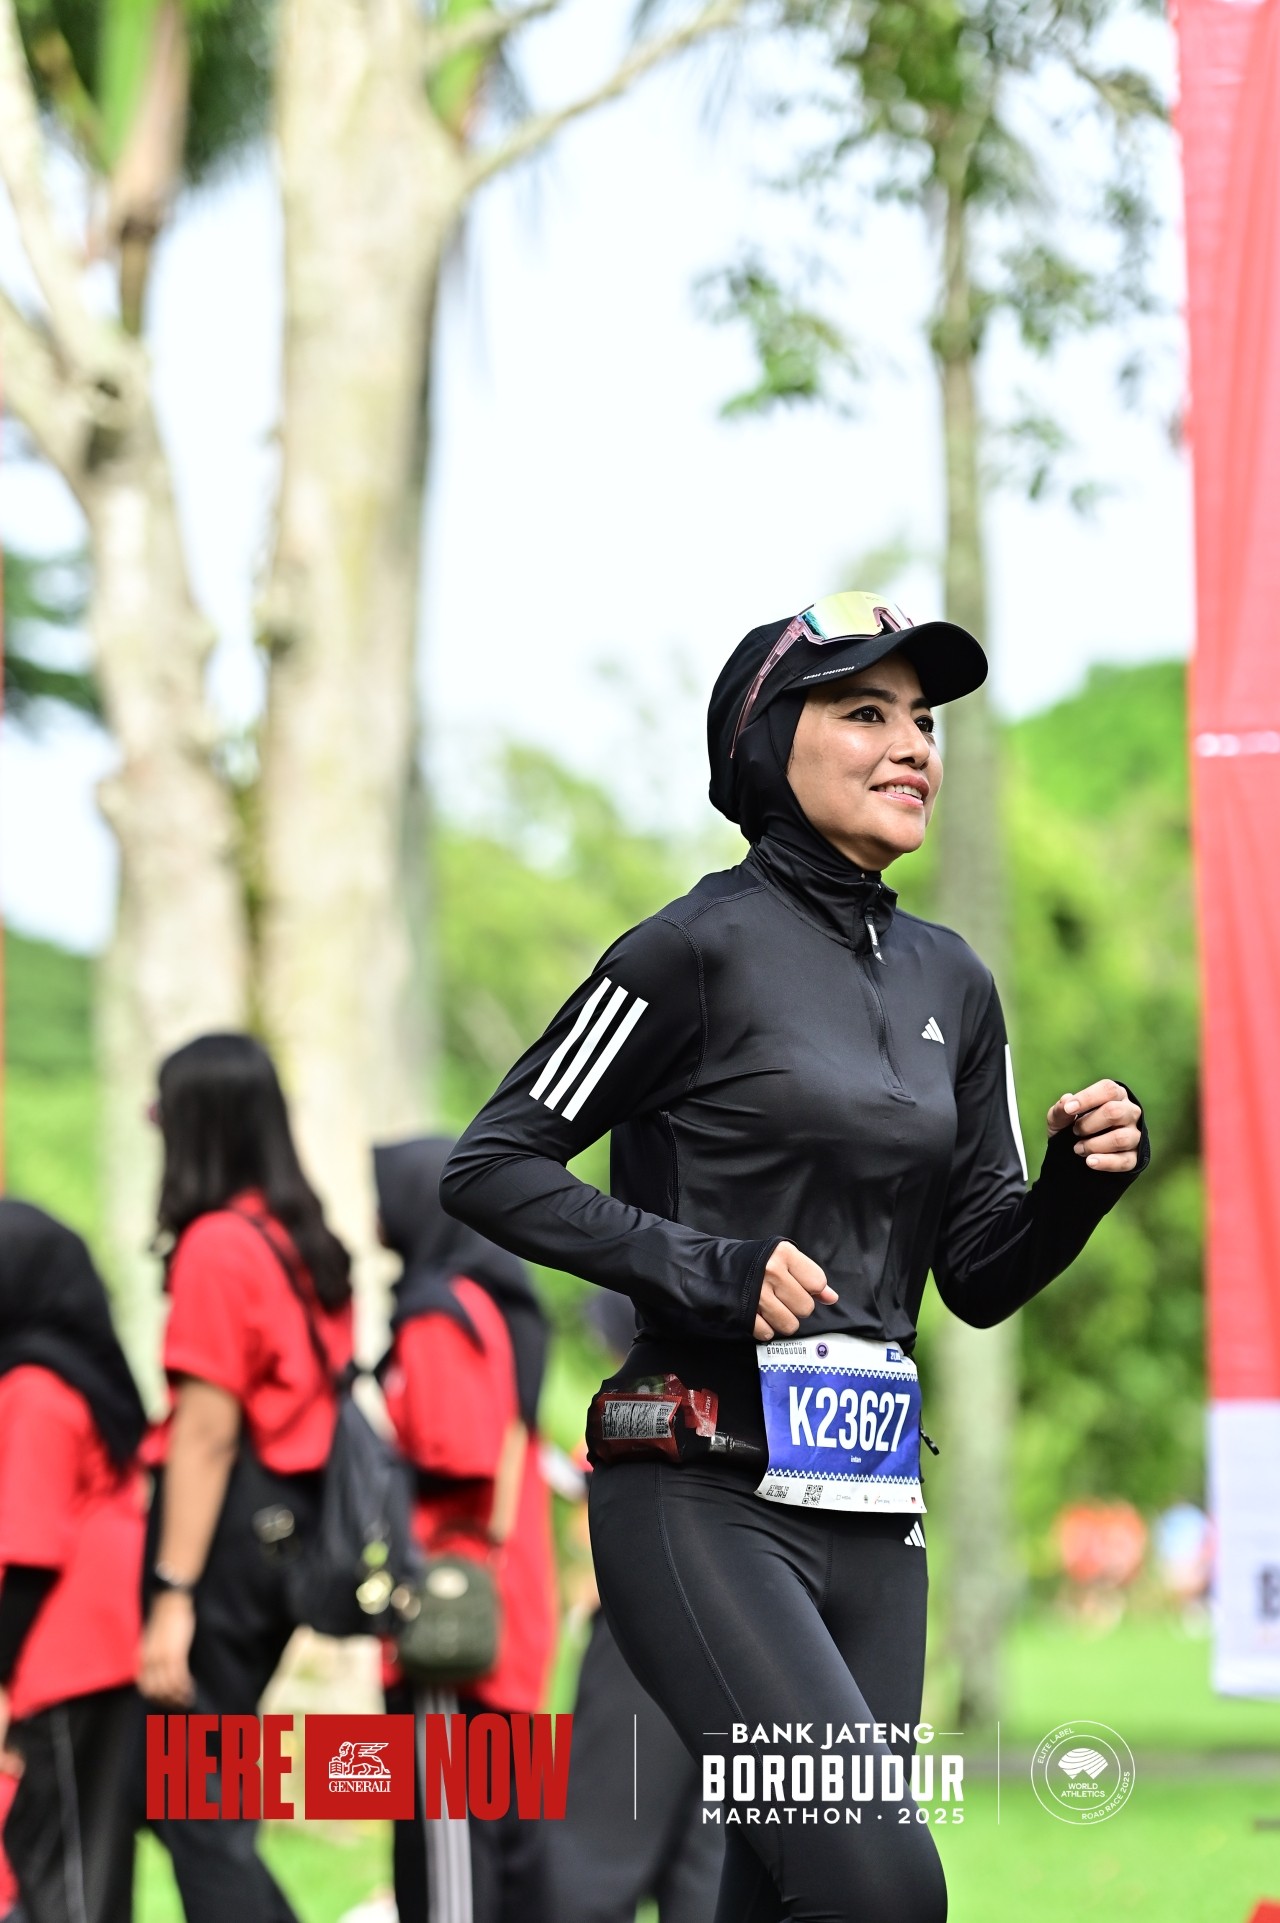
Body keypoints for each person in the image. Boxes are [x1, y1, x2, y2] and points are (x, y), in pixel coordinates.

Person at [438, 594, 1150, 1923]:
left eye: (923, 721)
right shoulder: (686, 952)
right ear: (769, 743)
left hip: (875, 1508)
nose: (913, 745)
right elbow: (490, 1163)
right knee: (881, 1885)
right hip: (701, 1488)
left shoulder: (954, 982)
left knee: (781, 1896)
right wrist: (705, 1267)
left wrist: (1075, 1187)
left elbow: (979, 1272)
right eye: (866, 713)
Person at [138, 1033, 353, 1923]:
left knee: (196, 1808)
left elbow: (206, 1434)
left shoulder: (219, 1246)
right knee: (197, 1796)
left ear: (199, 1123)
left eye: (162, 1108)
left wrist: (172, 1593)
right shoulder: (300, 1240)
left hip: (223, 1542)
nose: (152, 1124)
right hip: (286, 1533)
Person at [373, 1137, 557, 1923]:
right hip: (509, 1607)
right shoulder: (500, 1307)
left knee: (447, 1862)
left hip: (450, 1617)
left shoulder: (437, 1312)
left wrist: (375, 1457)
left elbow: (456, 1450)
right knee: (510, 1847)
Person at [550, 1289, 724, 1923]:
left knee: (590, 1863)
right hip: (746, 1638)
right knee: (709, 1874)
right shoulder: (732, 1397)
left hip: (644, 1641)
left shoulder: (647, 1401)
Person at [0, 1201, 147, 1923]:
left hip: (64, 1657)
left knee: (65, 1876)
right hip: (102, 1652)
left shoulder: (35, 1391)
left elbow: (29, 1553)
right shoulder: (82, 1381)